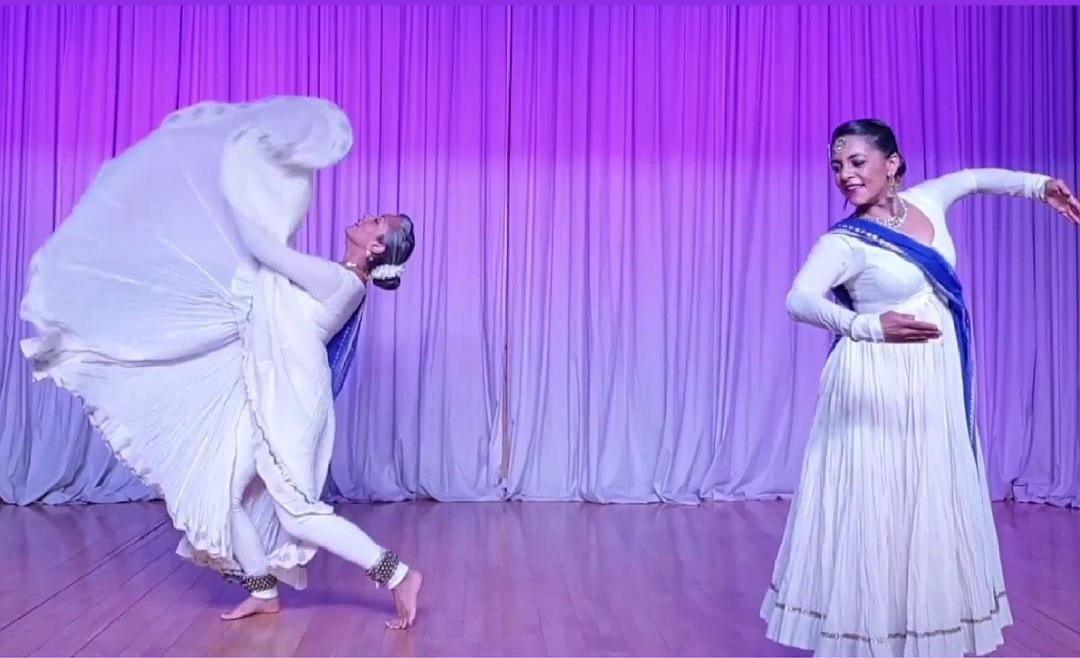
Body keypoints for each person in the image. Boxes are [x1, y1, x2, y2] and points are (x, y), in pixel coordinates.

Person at [20, 96, 423, 628]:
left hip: (292, 408)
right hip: (271, 396)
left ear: (376, 246)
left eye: (377, 220)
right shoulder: (333, 276)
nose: (366, 216)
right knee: (227, 495)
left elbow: (264, 247)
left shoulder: (339, 281)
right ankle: (263, 590)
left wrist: (236, 174)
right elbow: (266, 269)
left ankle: (397, 575)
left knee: (297, 515)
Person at [760, 118, 1080, 656]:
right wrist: (866, 326)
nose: (845, 175)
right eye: (837, 166)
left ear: (893, 163)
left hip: (932, 380)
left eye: (857, 162)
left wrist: (1038, 185)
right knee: (878, 506)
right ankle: (869, 638)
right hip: (875, 385)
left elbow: (977, 178)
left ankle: (925, 635)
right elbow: (799, 299)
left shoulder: (929, 202)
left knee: (926, 500)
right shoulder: (842, 241)